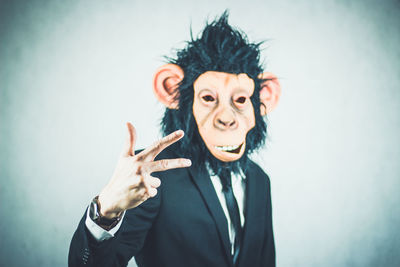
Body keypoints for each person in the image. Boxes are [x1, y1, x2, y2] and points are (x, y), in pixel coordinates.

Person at [69, 12, 281, 267]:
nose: (227, 118)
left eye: (240, 100)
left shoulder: (259, 179)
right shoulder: (152, 176)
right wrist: (105, 211)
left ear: (265, 98)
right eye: (208, 98)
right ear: (172, 91)